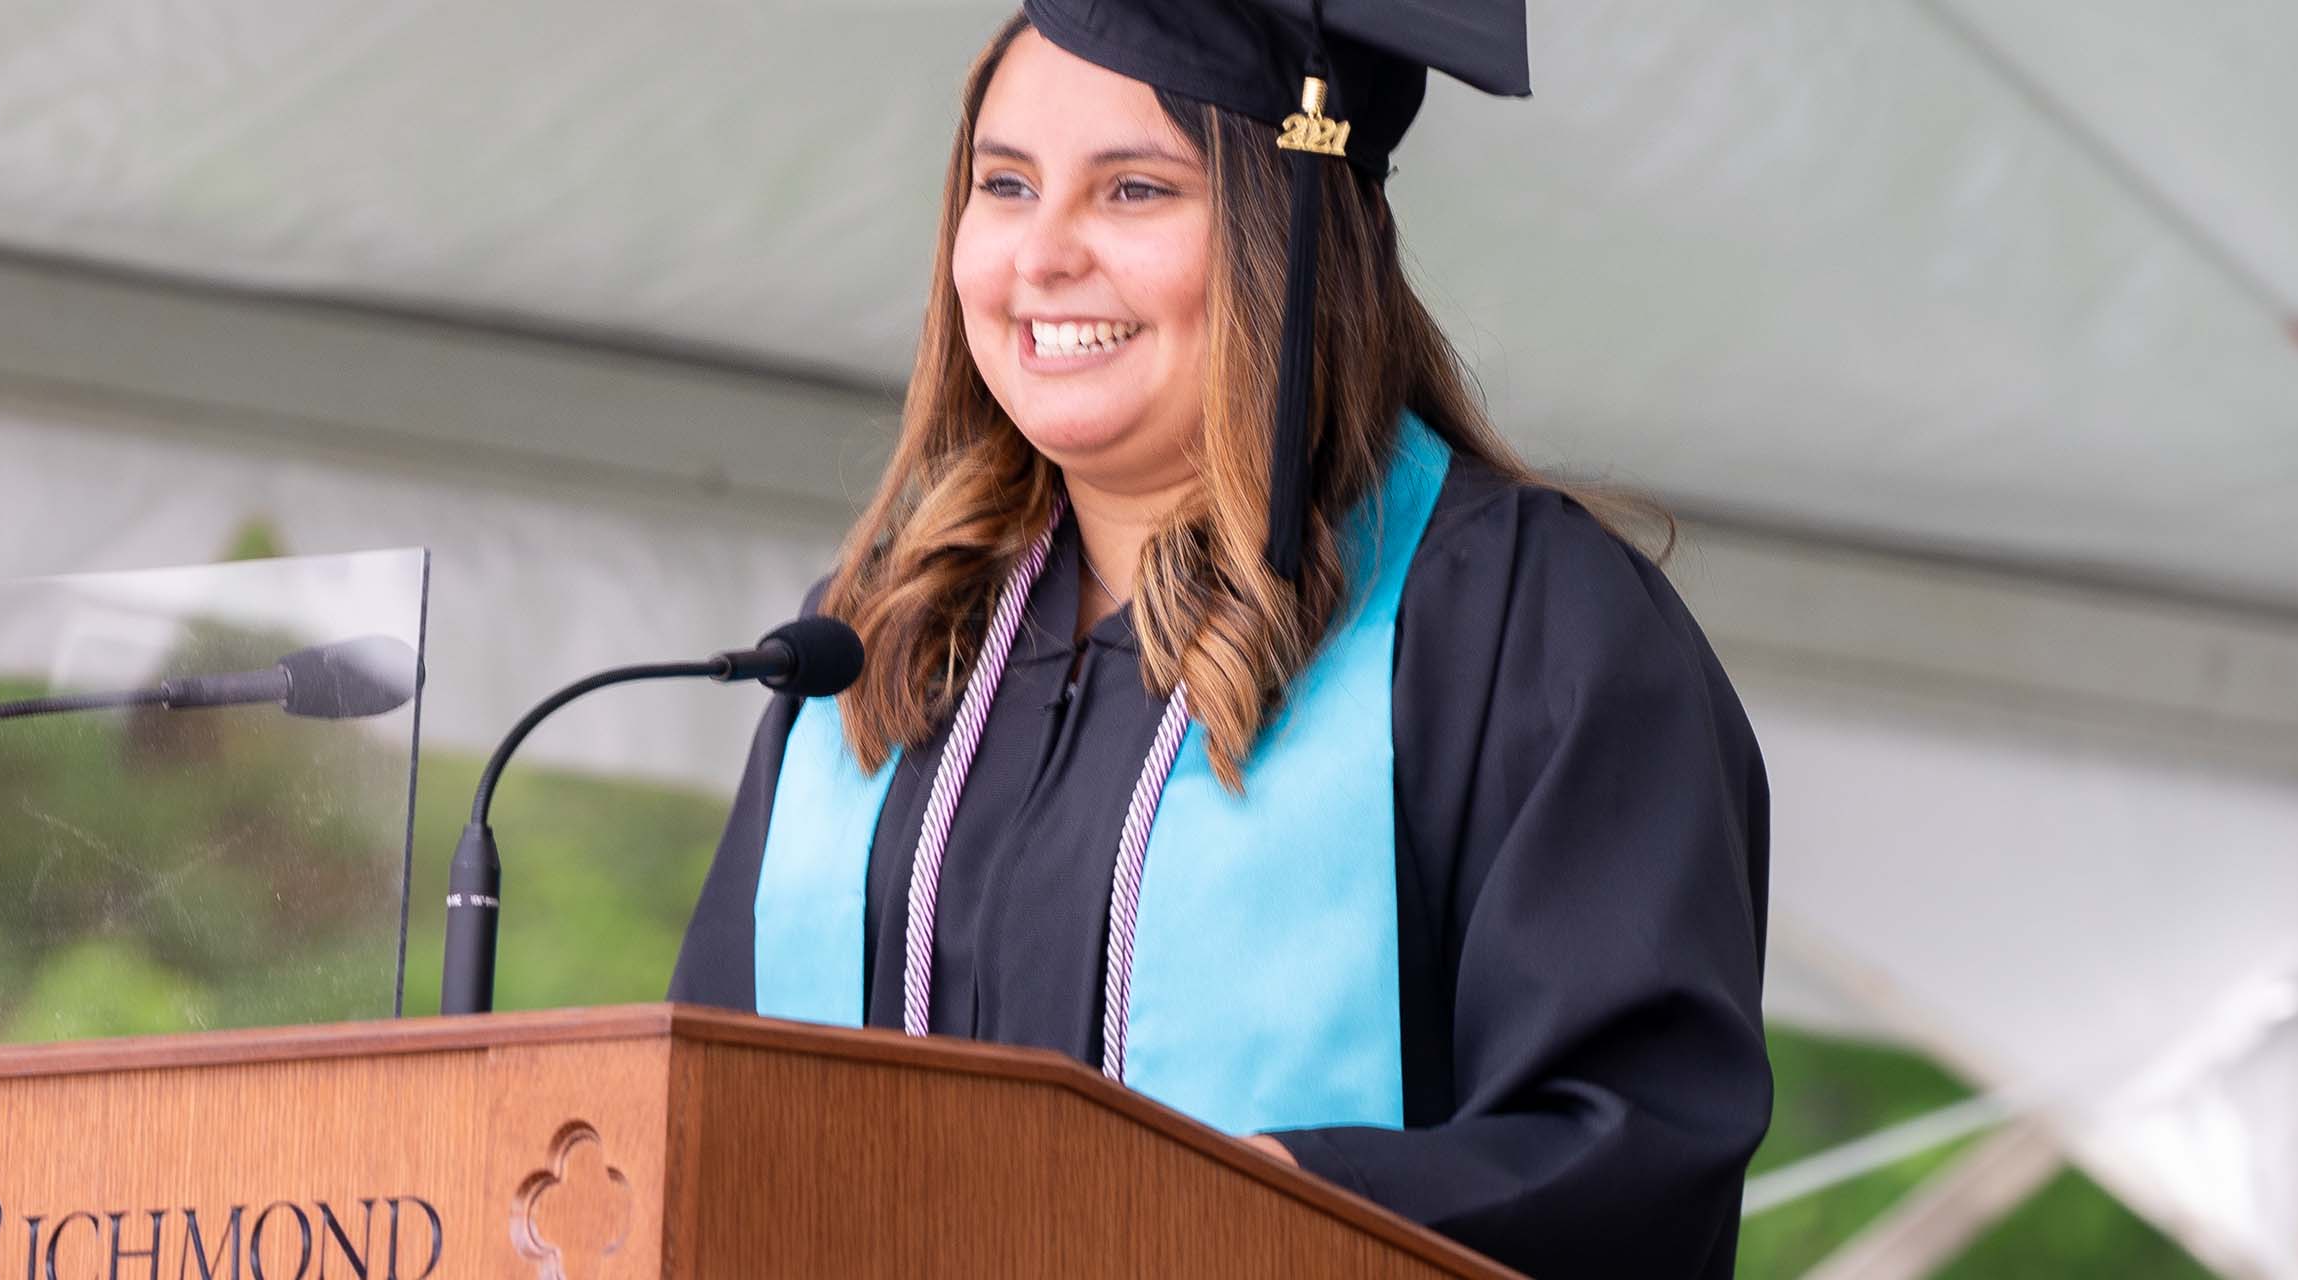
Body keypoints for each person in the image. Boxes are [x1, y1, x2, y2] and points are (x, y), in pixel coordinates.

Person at [667, 2, 1771, 1275]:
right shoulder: (879, 641)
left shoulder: (1515, 624)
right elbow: (693, 1123)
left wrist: (1241, 1204)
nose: (1043, 254)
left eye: (1133, 190)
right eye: (1005, 184)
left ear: (1287, 229)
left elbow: (1629, 1160)